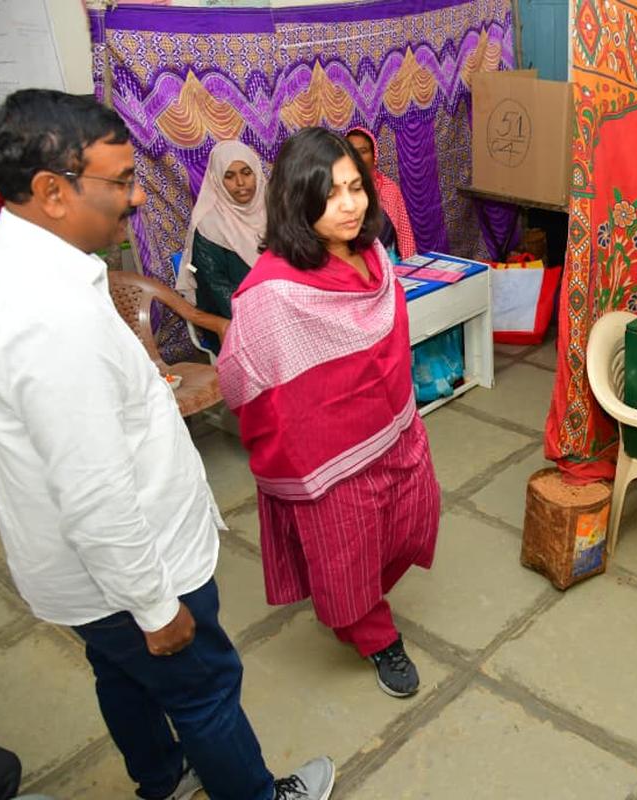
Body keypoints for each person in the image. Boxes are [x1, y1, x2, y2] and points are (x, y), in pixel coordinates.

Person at [0, 90, 334, 800]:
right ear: (51, 191)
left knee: (123, 676)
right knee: (202, 690)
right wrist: (155, 606)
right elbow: (92, 490)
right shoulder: (51, 320)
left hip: (81, 577)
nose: (137, 199)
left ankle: (163, 778)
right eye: (120, 181)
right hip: (136, 570)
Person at [218, 127, 440, 698]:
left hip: (395, 426)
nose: (349, 204)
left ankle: (355, 600)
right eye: (330, 193)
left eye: (355, 187)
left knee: (414, 518)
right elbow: (241, 374)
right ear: (297, 199)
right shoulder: (272, 291)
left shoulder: (373, 253)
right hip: (330, 457)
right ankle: (372, 632)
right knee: (347, 557)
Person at [174, 140, 266, 319]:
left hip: (277, 307)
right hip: (231, 317)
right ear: (216, 180)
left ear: (257, 173)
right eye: (229, 176)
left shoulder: (274, 211)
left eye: (247, 173)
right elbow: (216, 287)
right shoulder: (208, 226)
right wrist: (258, 318)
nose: (240, 182)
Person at [345, 126, 417, 260]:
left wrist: (409, 266)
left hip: (391, 263)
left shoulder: (388, 188)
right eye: (351, 151)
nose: (357, 157)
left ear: (374, 155)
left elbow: (403, 232)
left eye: (363, 151)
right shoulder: (341, 192)